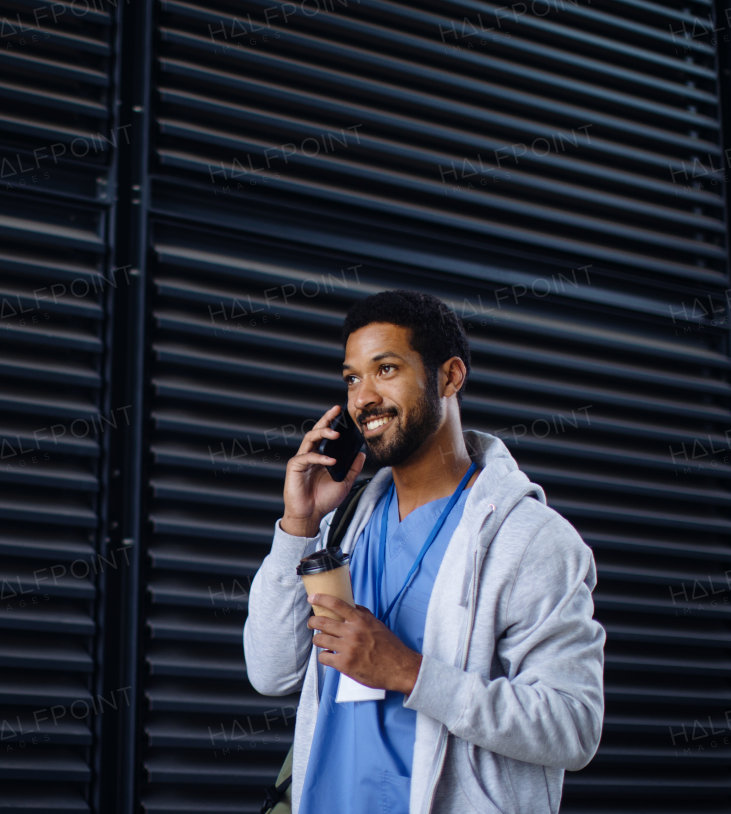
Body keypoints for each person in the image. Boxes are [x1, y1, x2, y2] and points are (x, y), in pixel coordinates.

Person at [244, 290, 605, 814]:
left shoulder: (530, 540)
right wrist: (299, 525)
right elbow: (271, 672)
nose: (363, 397)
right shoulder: (345, 526)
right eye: (352, 378)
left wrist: (411, 673)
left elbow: (572, 727)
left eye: (385, 369)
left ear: (450, 377)